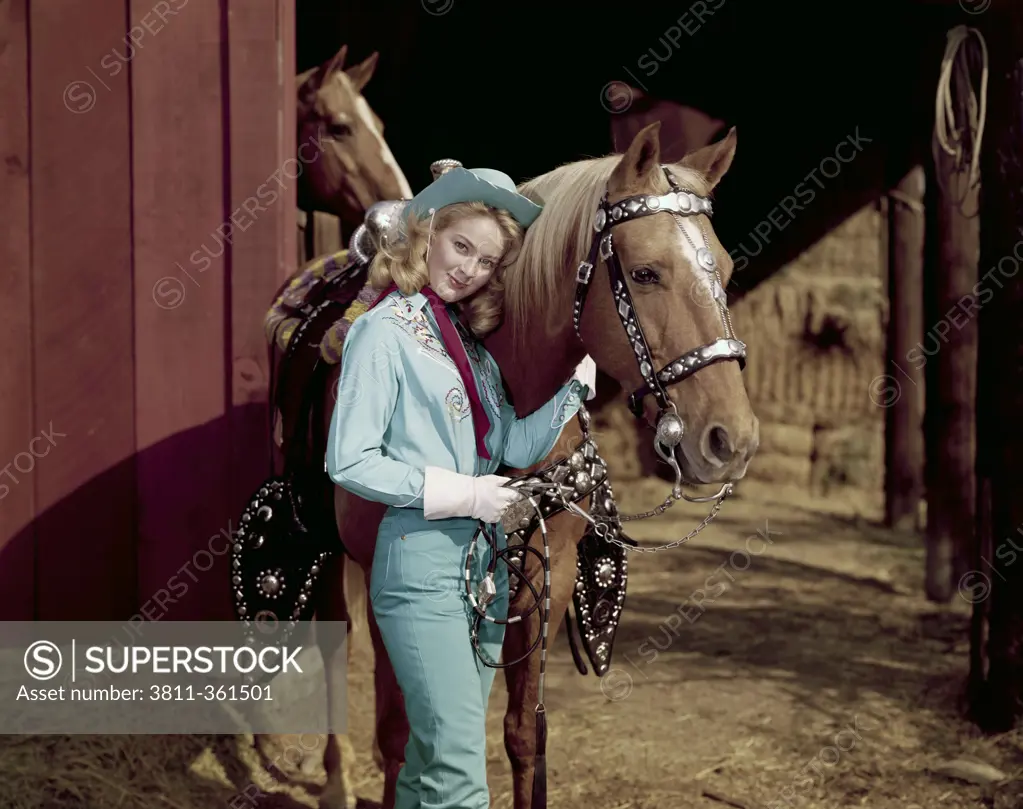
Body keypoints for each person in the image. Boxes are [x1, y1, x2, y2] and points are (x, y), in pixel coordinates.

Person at [326, 165, 595, 809]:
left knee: (429, 760)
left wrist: (572, 385)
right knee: (460, 775)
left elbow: (512, 447)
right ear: (428, 234)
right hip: (417, 562)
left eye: (487, 259)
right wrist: (464, 495)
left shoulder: (467, 350)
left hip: (482, 572)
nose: (469, 268)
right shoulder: (383, 331)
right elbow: (349, 459)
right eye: (461, 245)